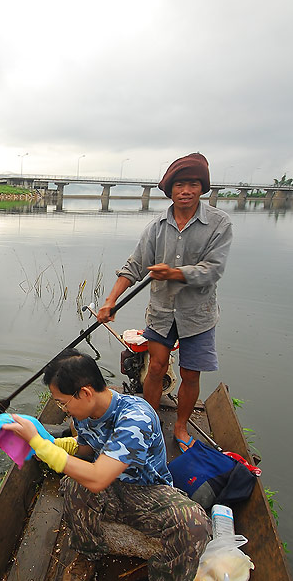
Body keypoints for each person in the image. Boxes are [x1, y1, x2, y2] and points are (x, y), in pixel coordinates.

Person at [3, 349, 210, 581]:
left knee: (194, 523)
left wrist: (41, 447)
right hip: (112, 487)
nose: (63, 409)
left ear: (86, 393)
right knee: (74, 484)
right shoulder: (88, 414)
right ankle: (88, 554)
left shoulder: (136, 418)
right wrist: (56, 444)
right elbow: (88, 446)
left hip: (147, 492)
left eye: (63, 402)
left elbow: (98, 478)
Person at [96, 153, 232, 451]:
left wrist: (174, 273)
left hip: (198, 315)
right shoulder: (157, 227)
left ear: (202, 188)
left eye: (193, 184)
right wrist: (110, 302)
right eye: (180, 185)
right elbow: (133, 266)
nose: (186, 191)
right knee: (156, 367)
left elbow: (214, 269)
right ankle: (149, 422)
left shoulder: (219, 224)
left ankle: (181, 428)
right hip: (161, 313)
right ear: (170, 190)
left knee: (190, 373)